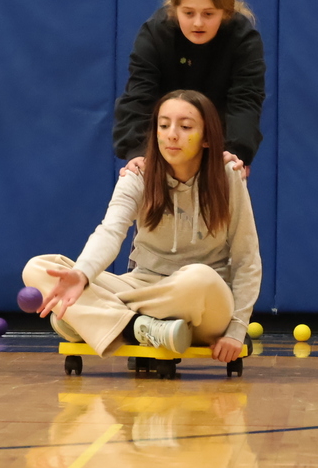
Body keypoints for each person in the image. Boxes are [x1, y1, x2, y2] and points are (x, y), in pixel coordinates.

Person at [23, 90, 261, 363]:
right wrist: (82, 274)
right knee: (37, 268)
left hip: (202, 300)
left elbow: (246, 258)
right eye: (164, 125)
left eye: (185, 127)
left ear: (207, 138)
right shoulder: (138, 175)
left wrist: (237, 329)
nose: (172, 135)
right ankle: (139, 327)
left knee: (200, 277)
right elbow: (110, 231)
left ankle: (93, 319)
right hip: (143, 283)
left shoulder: (228, 175)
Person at [114, 0, 265, 178]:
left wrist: (236, 152)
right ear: (174, 9)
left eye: (208, 14)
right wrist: (137, 151)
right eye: (188, 13)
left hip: (218, 145)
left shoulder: (243, 39)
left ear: (226, 12)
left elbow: (246, 99)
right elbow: (139, 95)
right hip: (163, 147)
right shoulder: (155, 35)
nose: (198, 23)